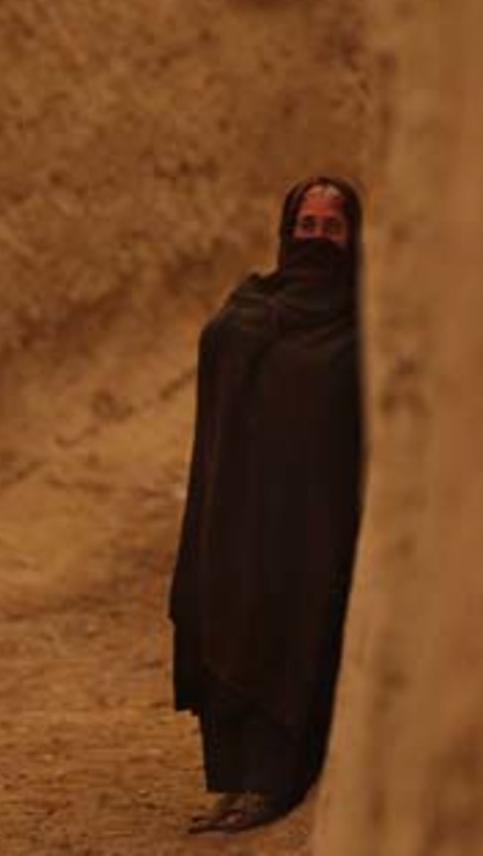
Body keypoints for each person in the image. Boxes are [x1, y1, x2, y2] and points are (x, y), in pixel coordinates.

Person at [168, 176, 364, 833]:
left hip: (313, 522)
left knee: (294, 633)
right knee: (228, 615)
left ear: (354, 238)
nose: (315, 240)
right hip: (235, 506)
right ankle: (234, 780)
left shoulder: (360, 325)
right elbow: (218, 348)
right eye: (304, 228)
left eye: (330, 230)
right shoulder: (251, 305)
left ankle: (274, 783)